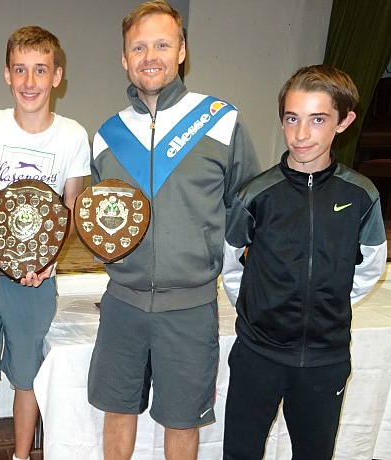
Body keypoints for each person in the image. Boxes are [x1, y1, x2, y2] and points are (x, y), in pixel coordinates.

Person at [86, 1, 261, 458]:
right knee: (116, 410)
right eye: (138, 46)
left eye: (162, 44)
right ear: (124, 58)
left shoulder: (220, 120)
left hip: (191, 306)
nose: (150, 56)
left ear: (182, 50)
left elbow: (246, 208)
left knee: (183, 420)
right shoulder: (107, 134)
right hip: (122, 305)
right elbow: (99, 220)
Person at [220, 65, 387, 459]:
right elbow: (231, 266)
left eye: (317, 119)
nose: (301, 134)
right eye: (292, 118)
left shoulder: (361, 195)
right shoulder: (257, 194)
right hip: (257, 354)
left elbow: (370, 267)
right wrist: (260, 310)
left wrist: (327, 301)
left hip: (324, 359)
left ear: (343, 122)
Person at [0, 25, 90, 460]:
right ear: (7, 76)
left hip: (34, 283)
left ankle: (19, 456)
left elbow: (71, 209)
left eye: (40, 70)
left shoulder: (72, 136)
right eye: (20, 70)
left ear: (57, 75)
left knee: (27, 382)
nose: (30, 82)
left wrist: (48, 261)